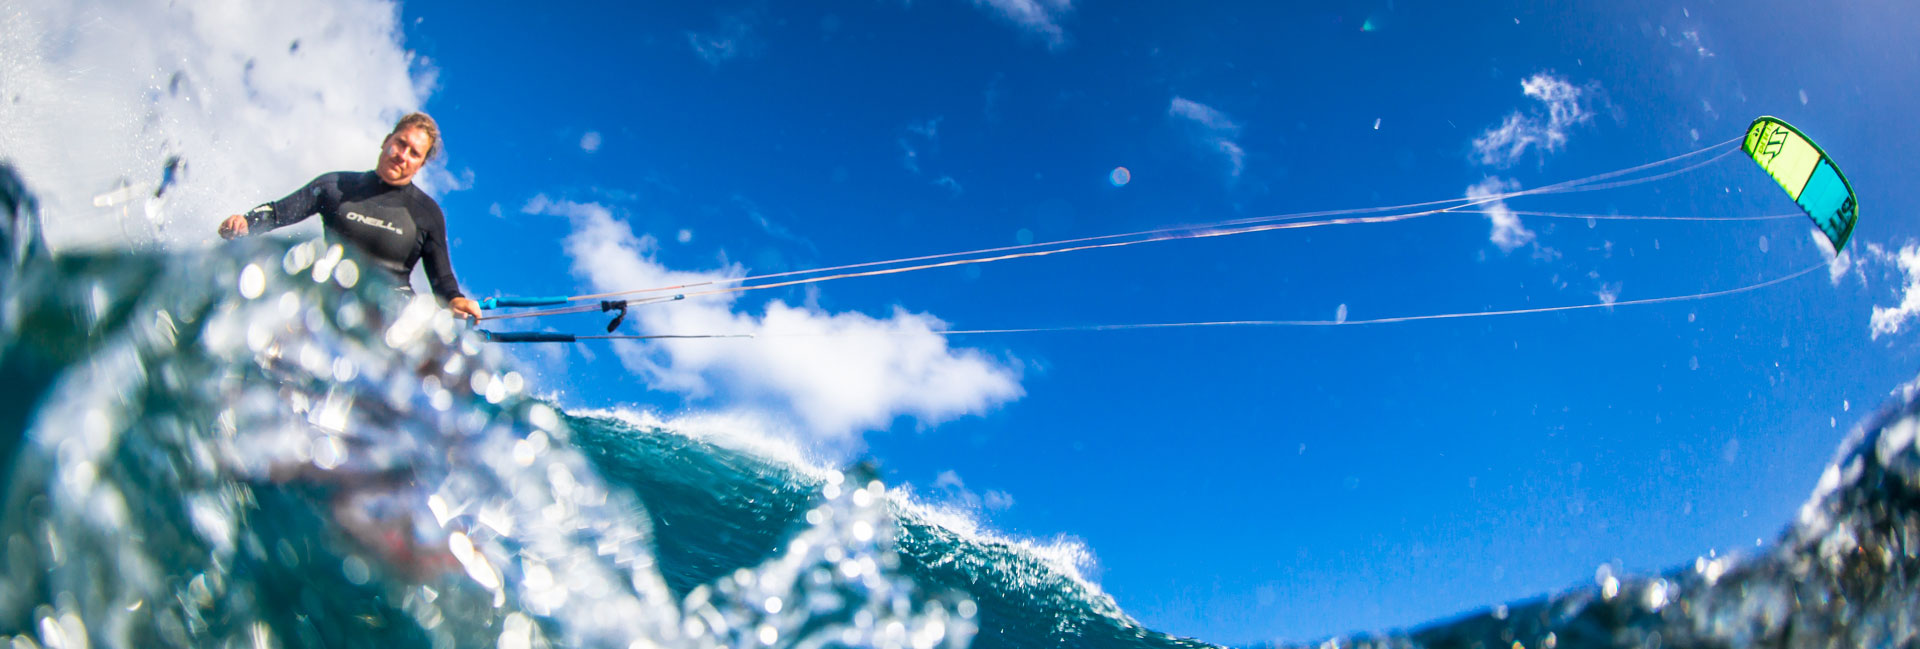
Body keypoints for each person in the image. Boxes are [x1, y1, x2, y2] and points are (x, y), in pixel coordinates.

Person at [220, 112, 483, 321]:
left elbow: (443, 282)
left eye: (414, 153)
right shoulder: (335, 186)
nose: (403, 155)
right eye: (400, 144)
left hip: (390, 316)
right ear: (387, 141)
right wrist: (245, 221)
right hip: (330, 303)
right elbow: (278, 213)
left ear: (420, 164)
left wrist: (456, 301)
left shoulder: (427, 213)